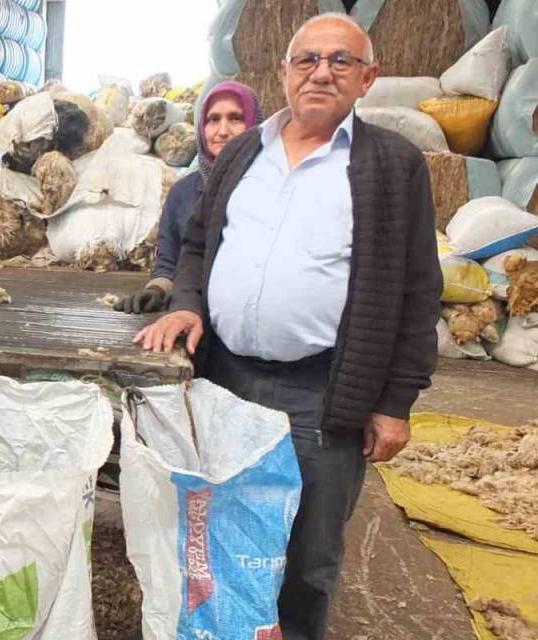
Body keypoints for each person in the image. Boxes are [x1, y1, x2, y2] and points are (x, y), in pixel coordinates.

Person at [134, 13, 440, 640]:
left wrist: (395, 401)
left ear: (368, 79)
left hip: (321, 390)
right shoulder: (245, 151)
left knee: (306, 558)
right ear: (284, 71)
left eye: (341, 62)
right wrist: (187, 303)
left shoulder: (391, 165)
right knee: (214, 532)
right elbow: (197, 245)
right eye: (308, 60)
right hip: (225, 379)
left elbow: (416, 290)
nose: (321, 73)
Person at [115, 81, 260, 314]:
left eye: (235, 118)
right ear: (202, 128)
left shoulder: (269, 188)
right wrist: (156, 291)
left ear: (255, 124)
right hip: (191, 317)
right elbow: (170, 261)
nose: (223, 130)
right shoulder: (183, 193)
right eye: (213, 119)